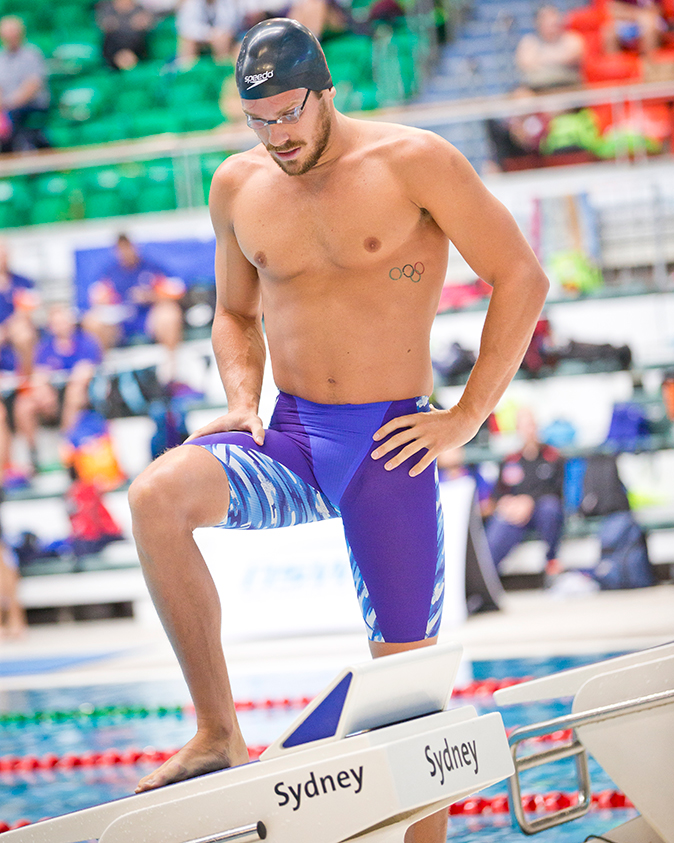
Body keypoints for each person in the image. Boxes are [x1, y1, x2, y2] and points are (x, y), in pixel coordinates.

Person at [127, 19, 549, 843]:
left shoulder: (413, 161)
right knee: (155, 497)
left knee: (405, 698)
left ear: (326, 92)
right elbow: (232, 313)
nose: (279, 135)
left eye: (290, 113)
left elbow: (521, 276)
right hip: (288, 439)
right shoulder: (236, 185)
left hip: (389, 447)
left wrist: (464, 416)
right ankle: (218, 730)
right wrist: (242, 397)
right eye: (261, 120)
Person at [82, 233, 185, 381]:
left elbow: (177, 291)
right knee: (92, 320)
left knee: (169, 313)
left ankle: (171, 365)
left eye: (128, 247)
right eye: (121, 249)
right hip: (120, 322)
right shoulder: (110, 272)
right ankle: (101, 372)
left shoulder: (151, 268)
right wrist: (110, 300)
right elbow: (95, 297)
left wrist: (151, 296)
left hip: (146, 317)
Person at [13, 303, 102, 471]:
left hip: (84, 397)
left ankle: (66, 449)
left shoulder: (86, 342)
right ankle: (33, 455)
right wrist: (43, 391)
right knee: (24, 406)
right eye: (56, 322)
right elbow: (38, 375)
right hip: (54, 400)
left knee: (75, 393)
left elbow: (87, 372)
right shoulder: (45, 348)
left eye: (63, 321)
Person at [485, 407, 565, 576]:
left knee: (550, 508)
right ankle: (486, 577)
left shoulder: (552, 456)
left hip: (541, 512)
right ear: (518, 429)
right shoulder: (511, 460)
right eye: (524, 425)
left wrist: (529, 502)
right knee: (500, 523)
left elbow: (558, 490)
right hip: (518, 515)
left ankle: (552, 561)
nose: (529, 429)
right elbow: (499, 493)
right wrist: (507, 503)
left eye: (531, 424)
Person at [0, 16, 50, 153]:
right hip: (7, 107)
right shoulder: (1, 59)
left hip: (31, 106)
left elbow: (32, 86)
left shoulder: (32, 55)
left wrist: (7, 104)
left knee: (12, 117)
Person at [515, 5, 585, 92]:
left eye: (553, 18)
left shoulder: (572, 39)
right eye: (545, 19)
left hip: (567, 85)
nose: (550, 23)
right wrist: (558, 60)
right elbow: (526, 64)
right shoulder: (529, 41)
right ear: (538, 23)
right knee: (520, 95)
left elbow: (572, 57)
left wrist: (540, 60)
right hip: (537, 87)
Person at [0, 238, 39, 378]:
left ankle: (27, 381)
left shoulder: (23, 282)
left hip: (15, 328)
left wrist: (5, 330)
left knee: (23, 334)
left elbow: (27, 312)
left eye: (4, 255)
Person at [96, 0, 155, 71]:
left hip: (135, 46)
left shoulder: (140, 9)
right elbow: (106, 25)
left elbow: (146, 23)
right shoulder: (106, 8)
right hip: (113, 47)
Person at [176, 0, 238, 65]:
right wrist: (209, 34)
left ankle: (223, 66)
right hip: (201, 37)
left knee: (223, 39)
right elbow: (187, 27)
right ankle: (187, 68)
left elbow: (230, 24)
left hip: (221, 37)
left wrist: (216, 34)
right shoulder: (192, 3)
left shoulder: (227, 2)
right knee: (188, 40)